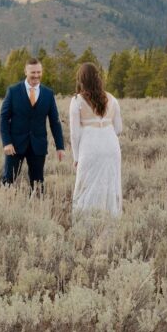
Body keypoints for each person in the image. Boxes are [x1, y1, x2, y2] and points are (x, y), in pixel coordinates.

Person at [0, 57, 65, 193]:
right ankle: (2, 205)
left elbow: (55, 121)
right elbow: (4, 118)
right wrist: (7, 142)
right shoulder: (13, 91)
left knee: (37, 184)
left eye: (39, 72)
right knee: (8, 180)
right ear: (26, 72)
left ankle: (36, 209)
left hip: (38, 145)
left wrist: (60, 146)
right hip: (15, 146)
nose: (36, 75)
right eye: (33, 72)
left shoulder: (48, 94)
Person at [69, 62, 123, 217]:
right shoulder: (112, 99)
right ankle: (110, 223)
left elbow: (74, 133)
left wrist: (76, 157)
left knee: (86, 187)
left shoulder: (77, 101)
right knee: (110, 186)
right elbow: (118, 128)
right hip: (111, 147)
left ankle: (86, 224)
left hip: (90, 147)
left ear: (81, 80)